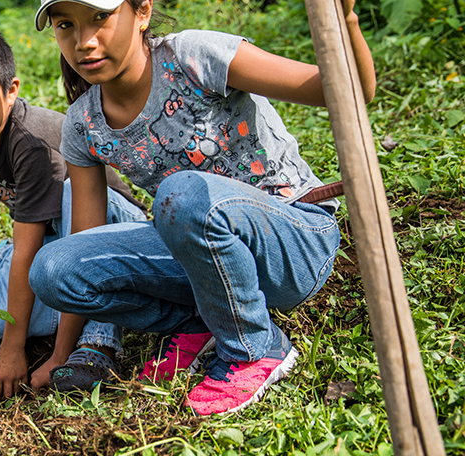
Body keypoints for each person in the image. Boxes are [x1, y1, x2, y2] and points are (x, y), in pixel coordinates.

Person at [29, 0, 374, 415]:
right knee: (53, 271)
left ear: (142, 13)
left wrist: (347, 19)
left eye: (101, 18)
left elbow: (349, 91)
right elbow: (87, 239)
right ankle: (197, 325)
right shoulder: (84, 123)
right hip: (195, 254)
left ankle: (254, 348)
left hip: (292, 241)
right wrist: (61, 354)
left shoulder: (193, 56)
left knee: (181, 194)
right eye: (66, 25)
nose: (84, 41)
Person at [0, 21, 147, 399]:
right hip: (47, 235)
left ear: (11, 90)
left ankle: (96, 344)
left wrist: (45, 353)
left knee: (67, 203)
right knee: (1, 322)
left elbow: (56, 243)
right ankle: (0, 259)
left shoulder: (32, 141)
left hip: (112, 231)